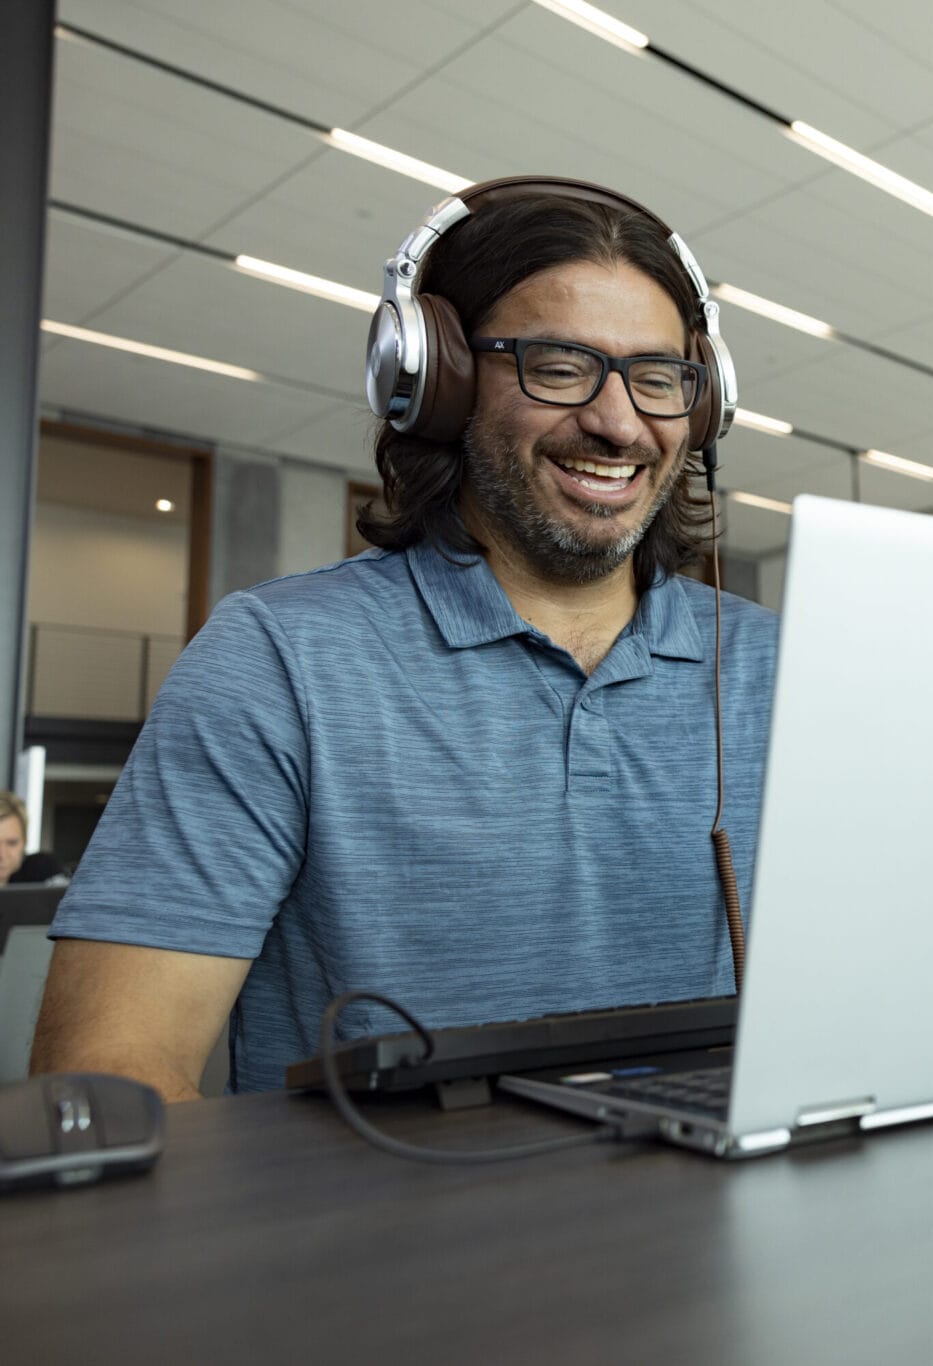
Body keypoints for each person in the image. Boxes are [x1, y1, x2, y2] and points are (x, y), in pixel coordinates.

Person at [30, 183, 777, 1097]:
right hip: (373, 1237)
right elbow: (104, 1080)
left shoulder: (782, 673)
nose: (618, 422)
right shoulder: (277, 661)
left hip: (716, 1225)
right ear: (436, 380)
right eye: (557, 364)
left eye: (658, 378)